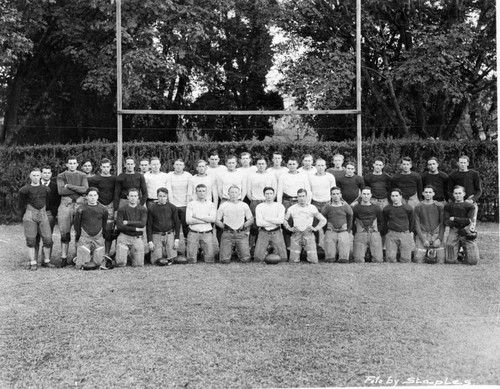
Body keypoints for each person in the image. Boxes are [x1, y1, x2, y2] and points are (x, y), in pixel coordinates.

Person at [19, 168, 55, 270]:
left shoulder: (46, 189)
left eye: (37, 175)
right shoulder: (24, 190)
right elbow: (21, 204)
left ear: (41, 176)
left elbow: (49, 202)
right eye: (33, 175)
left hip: (43, 214)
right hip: (30, 215)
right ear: (30, 176)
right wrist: (24, 215)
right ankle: (33, 262)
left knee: (48, 240)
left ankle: (47, 261)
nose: (36, 177)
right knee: (31, 240)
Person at [57, 156, 89, 267]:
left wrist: (69, 186)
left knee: (79, 232)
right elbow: (61, 191)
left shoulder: (82, 175)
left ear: (77, 164)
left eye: (74, 163)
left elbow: (85, 189)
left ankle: (77, 256)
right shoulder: (61, 176)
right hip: (65, 205)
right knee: (64, 233)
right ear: (67, 164)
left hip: (80, 205)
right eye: (70, 163)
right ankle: (64, 258)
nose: (72, 165)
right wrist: (78, 189)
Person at [283, 189, 326, 263]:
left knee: (313, 260)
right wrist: (289, 228)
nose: (301, 198)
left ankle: (308, 255)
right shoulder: (292, 208)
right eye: (299, 196)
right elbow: (284, 220)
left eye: (303, 196)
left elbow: (323, 220)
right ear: (297, 197)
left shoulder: (312, 208)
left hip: (308, 234)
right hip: (296, 234)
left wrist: (316, 228)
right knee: (293, 261)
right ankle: (299, 255)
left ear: (306, 197)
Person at [215, 186, 254, 263]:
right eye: (232, 192)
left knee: (246, 259)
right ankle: (228, 252)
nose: (233, 194)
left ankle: (238, 251)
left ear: (239, 194)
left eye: (236, 192)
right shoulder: (223, 205)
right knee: (224, 260)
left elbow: (251, 219)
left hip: (241, 234)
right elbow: (216, 220)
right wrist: (224, 226)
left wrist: (244, 225)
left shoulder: (244, 205)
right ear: (228, 193)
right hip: (228, 234)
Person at [74, 187, 108, 269]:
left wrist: (103, 234)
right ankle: (78, 258)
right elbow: (77, 224)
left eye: (95, 195)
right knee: (81, 265)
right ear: (86, 197)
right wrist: (79, 235)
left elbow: (104, 223)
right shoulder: (81, 209)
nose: (93, 197)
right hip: (85, 237)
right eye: (90, 195)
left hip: (98, 237)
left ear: (98, 196)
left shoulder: (103, 209)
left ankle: (95, 256)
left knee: (99, 263)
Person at [444, 185, 479, 265]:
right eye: (456, 193)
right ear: (453, 194)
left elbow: (469, 221)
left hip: (466, 231)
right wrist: (463, 221)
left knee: (473, 261)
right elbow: (446, 222)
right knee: (450, 261)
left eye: (460, 193)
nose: (458, 195)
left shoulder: (470, 206)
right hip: (454, 230)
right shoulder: (448, 206)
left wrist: (455, 219)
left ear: (464, 194)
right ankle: (458, 254)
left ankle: (465, 253)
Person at [88, 158, 117, 255]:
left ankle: (107, 253)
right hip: (99, 206)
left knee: (108, 231)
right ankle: (95, 252)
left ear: (110, 167)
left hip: (110, 207)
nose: (105, 169)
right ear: (100, 167)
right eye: (103, 167)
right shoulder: (94, 179)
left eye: (107, 167)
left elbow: (116, 193)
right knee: (97, 230)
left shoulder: (114, 179)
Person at [146, 187, 180, 266]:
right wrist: (150, 241)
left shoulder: (172, 207)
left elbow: (177, 224)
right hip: (157, 234)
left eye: (164, 196)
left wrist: (177, 239)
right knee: (156, 261)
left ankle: (170, 252)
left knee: (173, 259)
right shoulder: (152, 208)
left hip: (169, 234)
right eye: (160, 196)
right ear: (157, 196)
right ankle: (149, 255)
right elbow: (149, 226)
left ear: (167, 196)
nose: (162, 198)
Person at [115, 188, 148, 267]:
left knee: (139, 264)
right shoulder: (122, 209)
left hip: (136, 237)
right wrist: (135, 228)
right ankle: (123, 254)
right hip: (124, 237)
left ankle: (131, 254)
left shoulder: (143, 209)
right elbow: (119, 226)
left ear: (138, 197)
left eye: (135, 196)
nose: (133, 198)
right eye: (131, 196)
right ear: (128, 197)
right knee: (121, 263)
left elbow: (142, 224)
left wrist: (128, 222)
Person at [254, 187, 288, 262]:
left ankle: (272, 251)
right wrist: (274, 222)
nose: (269, 195)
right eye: (267, 194)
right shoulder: (260, 206)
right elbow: (259, 223)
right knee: (257, 258)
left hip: (276, 232)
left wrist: (267, 219)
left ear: (274, 195)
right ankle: (266, 251)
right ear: (264, 195)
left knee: (283, 259)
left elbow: (281, 221)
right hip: (264, 232)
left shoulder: (279, 206)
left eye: (270, 193)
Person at [413, 185, 445, 264]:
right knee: (418, 260)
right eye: (426, 192)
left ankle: (432, 253)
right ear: (423, 193)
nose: (428, 194)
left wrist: (439, 239)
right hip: (423, 234)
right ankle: (426, 254)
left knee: (441, 260)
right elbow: (416, 224)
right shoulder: (418, 206)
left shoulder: (439, 206)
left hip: (436, 234)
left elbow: (442, 223)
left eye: (430, 192)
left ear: (433, 194)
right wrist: (423, 239)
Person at [381, 189, 415, 263]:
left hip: (405, 233)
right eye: (393, 196)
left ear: (401, 196)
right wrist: (386, 232)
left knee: (406, 260)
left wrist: (410, 232)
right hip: (391, 234)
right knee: (390, 259)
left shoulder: (408, 208)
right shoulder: (387, 209)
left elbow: (412, 221)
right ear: (390, 197)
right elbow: (384, 221)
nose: (395, 198)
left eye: (396, 196)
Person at [186, 184, 217, 263]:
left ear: (206, 192)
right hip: (193, 232)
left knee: (209, 260)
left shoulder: (211, 204)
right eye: (199, 191)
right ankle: (196, 252)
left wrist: (196, 216)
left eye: (203, 191)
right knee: (191, 260)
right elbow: (188, 221)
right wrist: (205, 220)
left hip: (206, 233)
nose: (201, 193)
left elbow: (213, 219)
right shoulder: (191, 204)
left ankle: (203, 252)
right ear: (196, 192)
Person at [321, 187, 353, 263]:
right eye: (333, 194)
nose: (336, 196)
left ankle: (342, 256)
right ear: (331, 195)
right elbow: (323, 218)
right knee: (330, 259)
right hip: (331, 231)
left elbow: (350, 216)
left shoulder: (345, 206)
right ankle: (331, 255)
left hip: (343, 231)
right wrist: (326, 230)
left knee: (344, 260)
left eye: (337, 194)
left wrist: (348, 229)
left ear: (341, 195)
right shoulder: (327, 207)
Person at [35, 166, 60, 263]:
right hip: (35, 213)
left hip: (49, 214)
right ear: (41, 174)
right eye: (44, 173)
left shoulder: (55, 186)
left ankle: (46, 260)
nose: (46, 175)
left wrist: (53, 213)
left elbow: (57, 201)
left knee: (47, 238)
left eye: (48, 173)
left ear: (51, 174)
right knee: (35, 237)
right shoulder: (34, 184)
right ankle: (34, 260)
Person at [352, 187, 383, 263]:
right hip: (360, 234)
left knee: (378, 260)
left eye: (368, 194)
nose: (366, 196)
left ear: (371, 195)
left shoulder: (376, 208)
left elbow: (381, 221)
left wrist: (377, 231)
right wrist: (356, 232)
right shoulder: (355, 208)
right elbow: (352, 221)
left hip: (374, 233)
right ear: (361, 195)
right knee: (358, 260)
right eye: (364, 194)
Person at [447, 155, 482, 221]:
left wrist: (472, 200)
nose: (462, 164)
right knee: (457, 223)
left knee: (471, 223)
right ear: (458, 163)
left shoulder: (474, 174)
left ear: (468, 163)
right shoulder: (453, 175)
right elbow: (449, 191)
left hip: (470, 201)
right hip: (457, 202)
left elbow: (479, 190)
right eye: (461, 163)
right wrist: (456, 200)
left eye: (464, 163)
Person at [166, 159, 192, 245]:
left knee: (186, 227)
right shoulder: (169, 175)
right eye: (176, 164)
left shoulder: (188, 176)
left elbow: (190, 191)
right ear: (173, 166)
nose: (178, 166)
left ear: (184, 166)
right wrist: (172, 205)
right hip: (173, 206)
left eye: (180, 165)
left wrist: (189, 205)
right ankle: (173, 248)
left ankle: (188, 247)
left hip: (185, 206)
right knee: (173, 227)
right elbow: (169, 190)